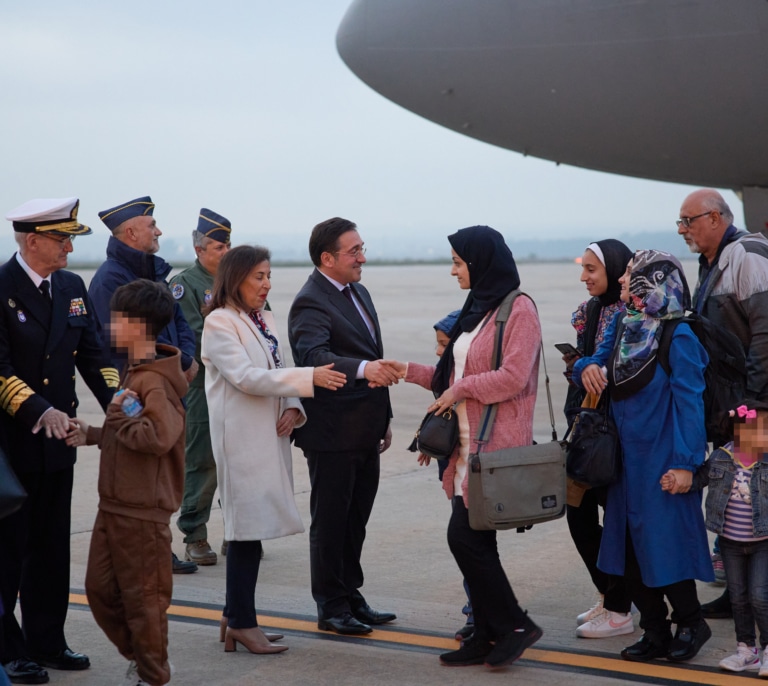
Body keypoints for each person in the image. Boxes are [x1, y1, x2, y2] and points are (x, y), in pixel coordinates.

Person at [388, 225, 544, 668]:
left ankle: (515, 625)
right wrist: (408, 370)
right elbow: (450, 378)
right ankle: (486, 634)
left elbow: (513, 378)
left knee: (464, 538)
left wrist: (461, 390)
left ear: (480, 263)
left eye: (458, 262)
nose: (453, 270)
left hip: (493, 448)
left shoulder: (519, 310)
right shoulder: (475, 311)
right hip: (463, 447)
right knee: (477, 544)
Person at [202, 245, 346, 654]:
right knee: (246, 530)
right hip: (241, 438)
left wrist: (294, 407)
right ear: (236, 278)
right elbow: (246, 377)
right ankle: (243, 623)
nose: (266, 285)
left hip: (267, 432)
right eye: (257, 277)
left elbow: (275, 368)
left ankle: (235, 615)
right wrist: (310, 379)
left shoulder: (260, 319)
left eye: (268, 277)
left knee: (254, 527)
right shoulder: (219, 322)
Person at [574, 249, 713, 663]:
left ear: (651, 281)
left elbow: (691, 406)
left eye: (630, 275)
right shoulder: (625, 322)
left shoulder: (678, 334)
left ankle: (691, 623)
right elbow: (595, 361)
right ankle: (655, 630)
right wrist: (585, 365)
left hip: (664, 461)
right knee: (629, 551)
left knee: (666, 547)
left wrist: (687, 465)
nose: (622, 282)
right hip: (624, 461)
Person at [0, 198, 118, 684]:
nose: (70, 247)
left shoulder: (70, 286)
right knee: (8, 552)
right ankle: (9, 650)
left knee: (50, 549)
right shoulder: (1, 288)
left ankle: (48, 641)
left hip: (58, 443)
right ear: (32, 242)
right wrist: (38, 410)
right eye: (61, 238)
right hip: (11, 445)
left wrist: (120, 398)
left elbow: (93, 350)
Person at [67, 279, 187, 686]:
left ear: (136, 326)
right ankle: (142, 660)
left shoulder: (154, 381)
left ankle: (154, 676)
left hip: (141, 512)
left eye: (116, 318)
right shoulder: (134, 372)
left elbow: (156, 437)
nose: (108, 324)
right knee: (99, 592)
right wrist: (95, 434)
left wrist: (116, 418)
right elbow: (131, 430)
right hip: (114, 506)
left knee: (144, 602)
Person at [288, 217, 399, 636]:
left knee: (356, 520)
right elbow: (313, 355)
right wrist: (368, 369)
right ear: (327, 258)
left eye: (362, 248)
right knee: (331, 522)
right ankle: (330, 606)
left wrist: (383, 417)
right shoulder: (310, 301)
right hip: (333, 433)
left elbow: (373, 350)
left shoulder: (358, 291)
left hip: (366, 428)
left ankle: (351, 595)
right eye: (354, 252)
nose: (362, 258)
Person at [88, 195, 199, 575]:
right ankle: (149, 550)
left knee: (164, 467)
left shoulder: (153, 272)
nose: (160, 232)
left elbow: (179, 321)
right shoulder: (110, 280)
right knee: (143, 470)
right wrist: (159, 376)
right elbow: (114, 345)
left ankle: (158, 547)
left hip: (167, 380)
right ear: (131, 231)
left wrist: (184, 361)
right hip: (138, 389)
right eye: (153, 226)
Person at [677, 188, 768, 620]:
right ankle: (739, 596)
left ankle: (754, 597)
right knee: (736, 497)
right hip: (734, 405)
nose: (683, 230)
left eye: (688, 221)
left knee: (754, 500)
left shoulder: (747, 254)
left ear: (715, 218)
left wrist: (754, 402)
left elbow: (766, 332)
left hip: (754, 404)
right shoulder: (712, 262)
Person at [562, 239, 634, 639]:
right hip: (587, 429)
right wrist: (580, 367)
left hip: (618, 432)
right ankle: (610, 595)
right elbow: (580, 366)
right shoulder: (589, 311)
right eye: (583, 267)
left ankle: (621, 607)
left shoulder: (633, 313)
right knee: (579, 513)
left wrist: (589, 366)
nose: (584, 276)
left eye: (592, 269)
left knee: (617, 519)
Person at [662, 401, 768, 676]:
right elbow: (698, 479)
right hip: (731, 543)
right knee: (738, 599)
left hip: (763, 542)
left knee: (759, 597)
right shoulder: (722, 457)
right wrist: (676, 481)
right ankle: (746, 651)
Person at [170, 209, 232, 566]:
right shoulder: (186, 285)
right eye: (219, 246)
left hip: (239, 386)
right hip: (204, 387)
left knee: (238, 462)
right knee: (203, 461)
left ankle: (239, 532)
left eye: (228, 246)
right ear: (199, 249)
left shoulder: (238, 280)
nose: (225, 252)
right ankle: (195, 534)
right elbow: (192, 335)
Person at [424, 310, 475, 642]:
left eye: (444, 345)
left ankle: (479, 612)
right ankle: (479, 610)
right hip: (456, 469)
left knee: (470, 542)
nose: (439, 352)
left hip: (473, 471)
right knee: (471, 543)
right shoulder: (450, 376)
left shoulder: (466, 380)